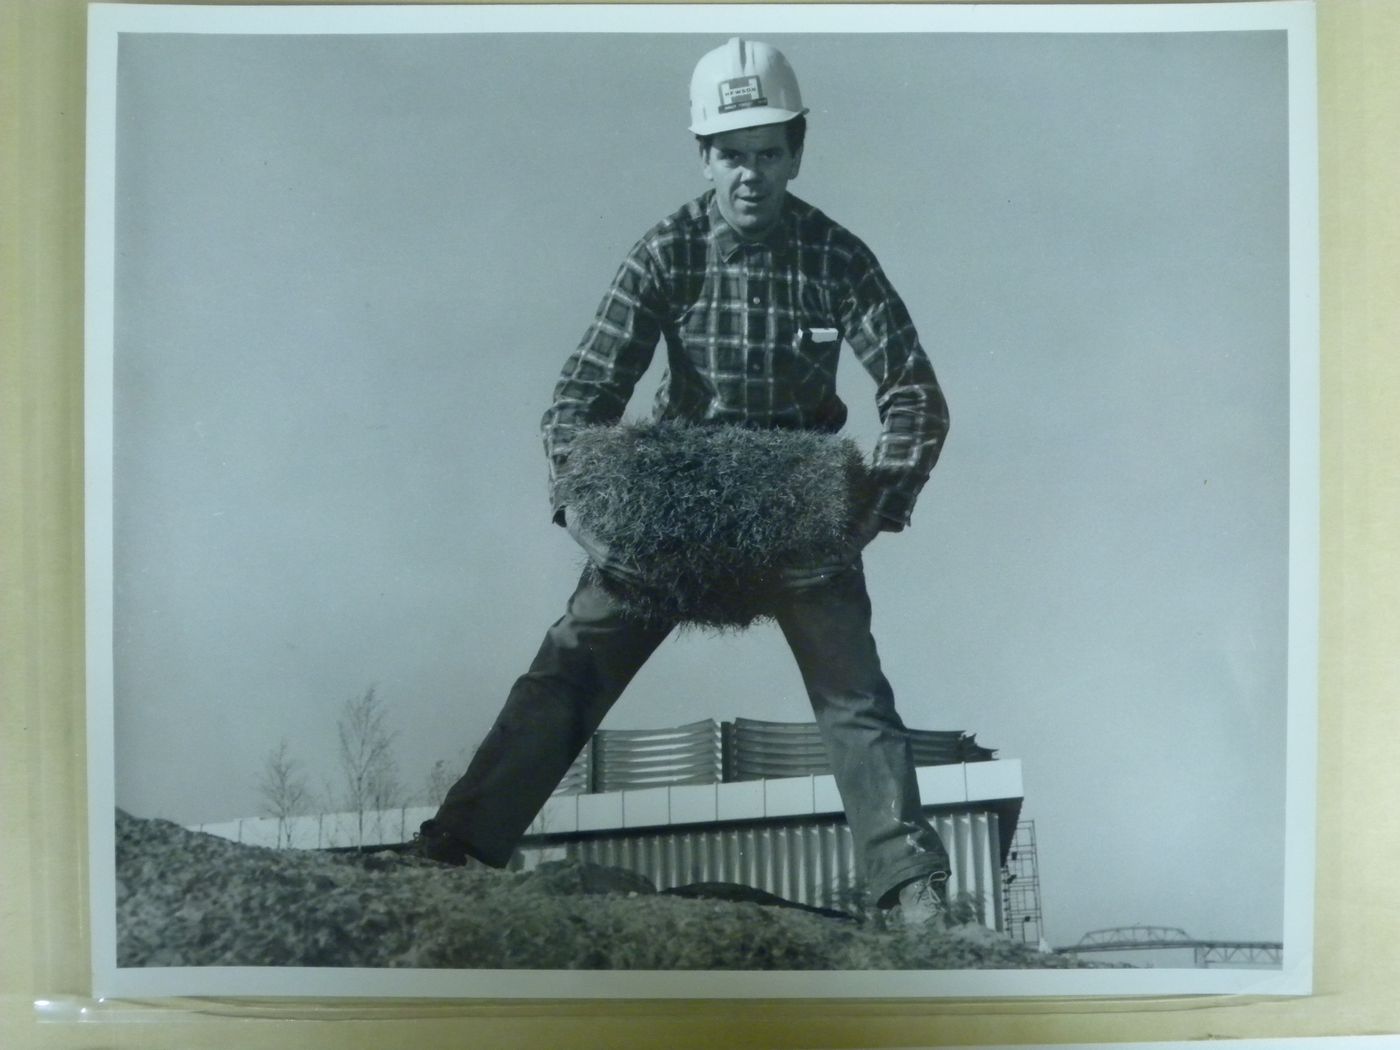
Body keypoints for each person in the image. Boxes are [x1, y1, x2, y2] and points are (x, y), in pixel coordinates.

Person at [415, 37, 953, 925]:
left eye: (768, 155)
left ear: (797, 151)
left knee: (854, 694)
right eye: (732, 156)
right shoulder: (664, 252)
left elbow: (914, 394)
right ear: (704, 153)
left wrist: (873, 506)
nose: (750, 177)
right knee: (569, 664)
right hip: (681, 499)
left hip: (799, 507)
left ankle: (911, 887)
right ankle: (459, 847)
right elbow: (579, 398)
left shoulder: (840, 259)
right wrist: (583, 505)